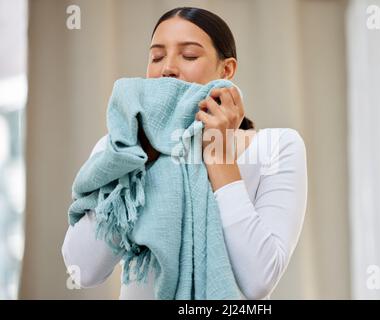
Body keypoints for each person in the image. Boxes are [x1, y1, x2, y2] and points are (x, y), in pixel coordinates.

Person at [62, 6, 307, 300]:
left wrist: (218, 156)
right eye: (156, 56)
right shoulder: (121, 149)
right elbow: (82, 270)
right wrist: (138, 158)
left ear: (226, 70)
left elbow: (258, 281)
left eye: (189, 55)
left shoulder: (275, 147)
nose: (168, 68)